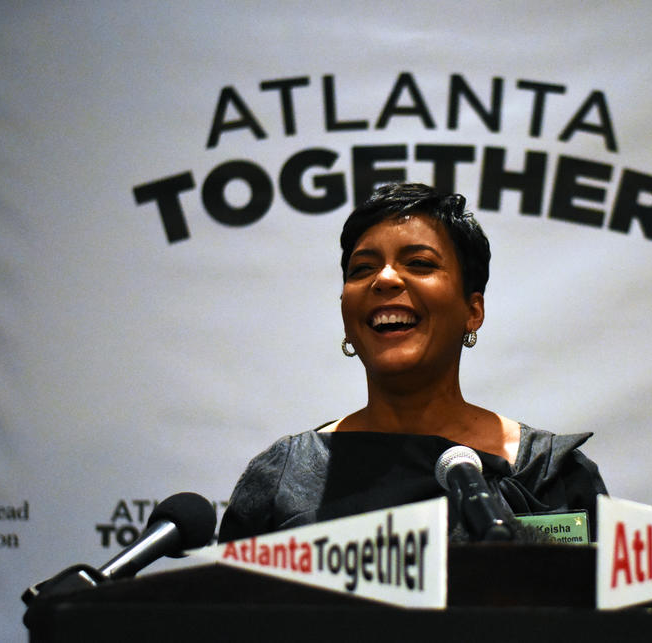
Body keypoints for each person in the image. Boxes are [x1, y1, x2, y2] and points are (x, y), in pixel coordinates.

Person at [218, 183, 607, 543]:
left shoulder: (550, 473)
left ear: (473, 311)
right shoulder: (284, 478)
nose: (384, 279)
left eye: (419, 263)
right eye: (362, 269)